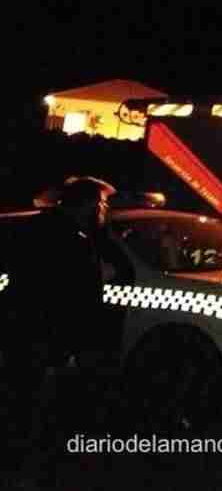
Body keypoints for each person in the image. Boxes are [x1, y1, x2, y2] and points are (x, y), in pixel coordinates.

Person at [2, 176, 113, 489]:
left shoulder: (48, 230)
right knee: (34, 411)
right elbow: (65, 297)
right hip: (45, 340)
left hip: (32, 336)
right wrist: (69, 345)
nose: (105, 211)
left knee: (25, 408)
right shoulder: (67, 239)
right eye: (103, 204)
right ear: (89, 204)